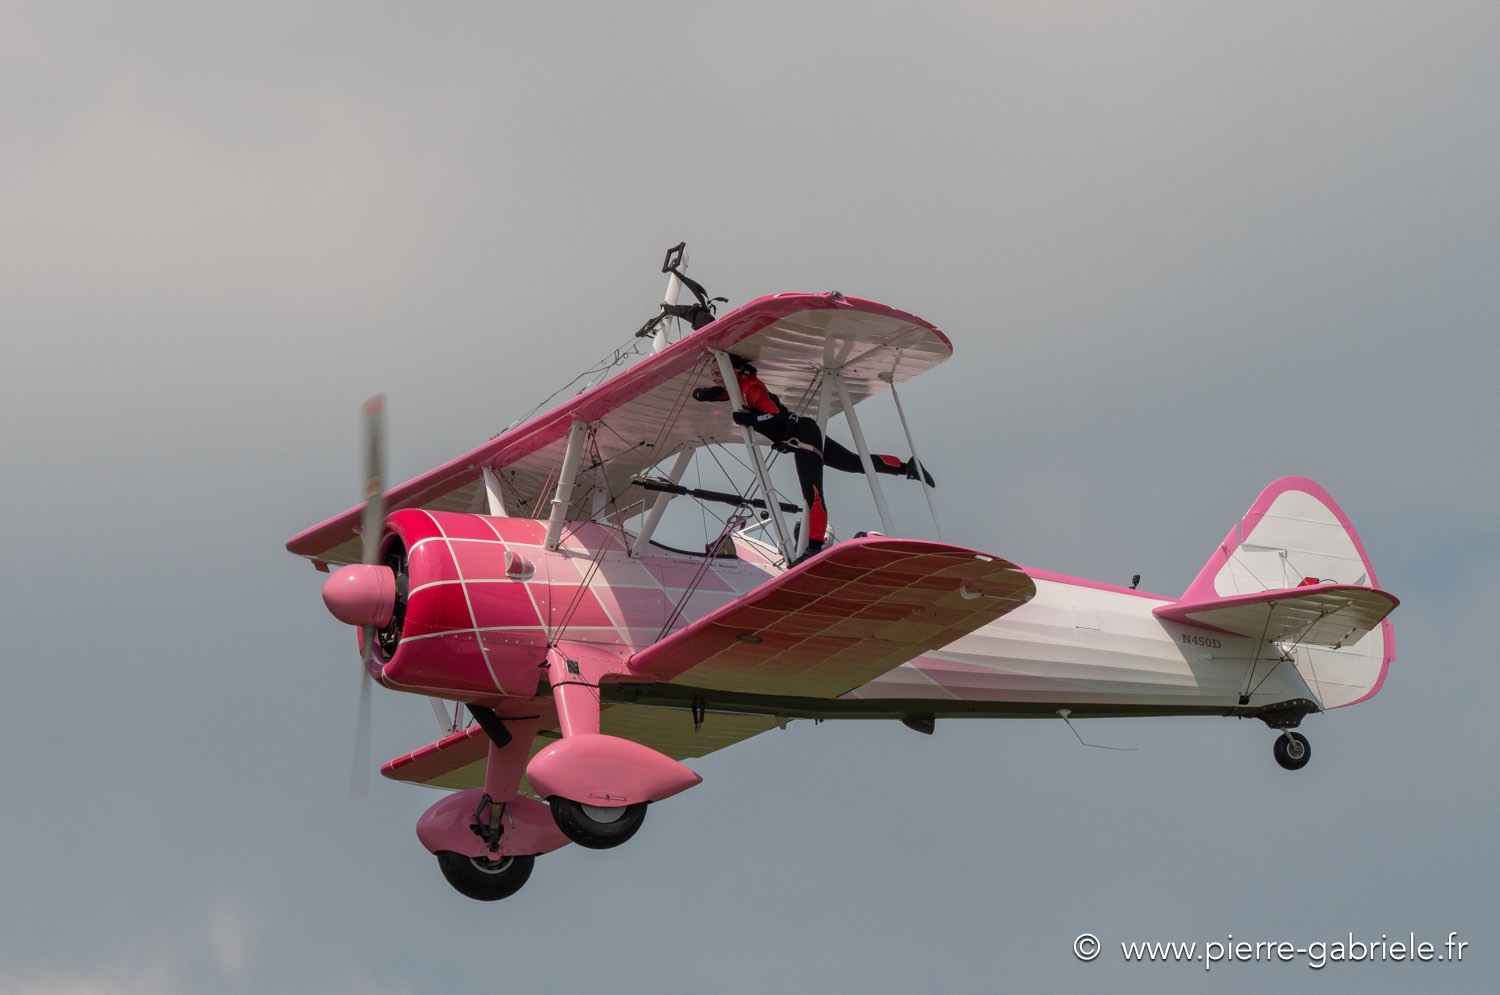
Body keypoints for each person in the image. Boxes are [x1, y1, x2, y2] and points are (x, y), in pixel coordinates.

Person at [693, 354, 934, 565]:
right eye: (713, 372)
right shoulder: (737, 388)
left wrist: (752, 421)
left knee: (813, 493)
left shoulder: (751, 388)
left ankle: (813, 548)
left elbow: (776, 415)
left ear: (736, 370)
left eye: (718, 371)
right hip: (803, 434)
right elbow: (721, 393)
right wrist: (702, 394)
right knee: (853, 463)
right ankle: (907, 468)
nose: (715, 376)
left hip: (803, 436)